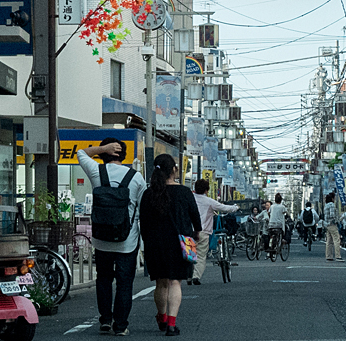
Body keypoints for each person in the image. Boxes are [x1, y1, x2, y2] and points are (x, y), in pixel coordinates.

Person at [78, 139, 146, 337]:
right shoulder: (136, 177)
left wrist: (101, 149)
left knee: (104, 279)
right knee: (125, 283)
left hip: (102, 239)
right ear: (123, 155)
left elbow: (81, 153)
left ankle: (105, 320)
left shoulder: (96, 171)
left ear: (103, 154)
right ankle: (120, 325)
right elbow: (141, 210)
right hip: (127, 240)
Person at [140, 154, 202, 337]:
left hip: (155, 244)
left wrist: (146, 242)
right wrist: (196, 233)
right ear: (174, 170)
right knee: (175, 282)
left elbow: (143, 221)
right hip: (181, 243)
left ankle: (162, 317)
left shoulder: (148, 193)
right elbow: (195, 217)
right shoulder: (184, 192)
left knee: (161, 282)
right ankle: (172, 325)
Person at [191, 179, 239, 285]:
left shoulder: (189, 199)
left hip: (189, 231)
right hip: (203, 232)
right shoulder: (208, 201)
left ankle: (188, 276)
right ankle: (195, 276)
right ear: (207, 190)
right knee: (201, 255)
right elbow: (224, 208)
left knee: (189, 254)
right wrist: (235, 207)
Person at [324, 193, 343, 262]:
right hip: (332, 224)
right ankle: (338, 256)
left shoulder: (326, 205)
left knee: (329, 241)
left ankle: (328, 256)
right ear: (332, 198)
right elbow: (332, 215)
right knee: (336, 239)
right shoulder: (332, 205)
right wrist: (336, 220)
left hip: (327, 224)